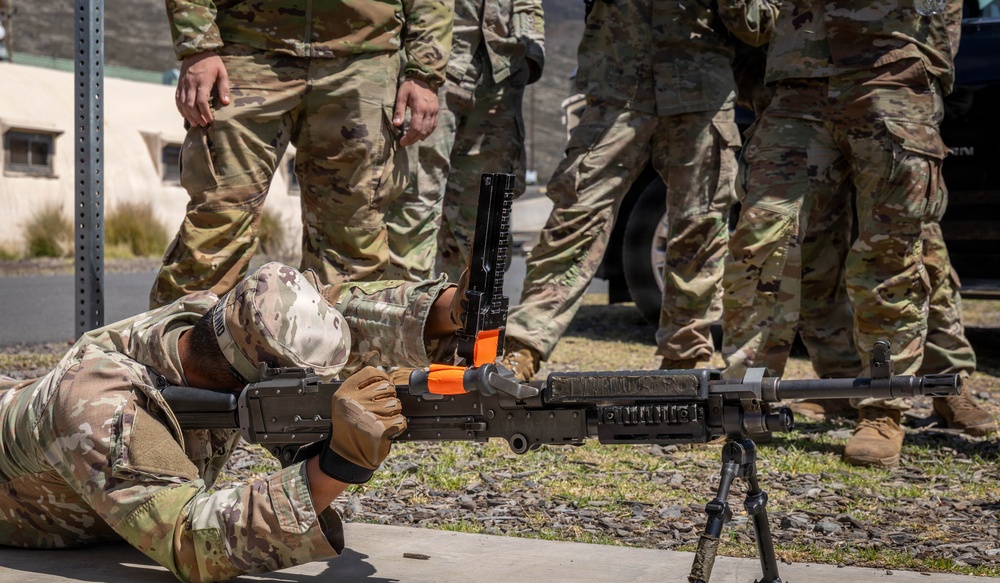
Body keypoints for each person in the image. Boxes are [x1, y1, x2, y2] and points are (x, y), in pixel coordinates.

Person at [0, 263, 463, 583]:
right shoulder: (99, 407)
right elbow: (190, 542)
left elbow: (323, 309)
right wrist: (337, 467)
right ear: (255, 385)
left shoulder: (218, 324)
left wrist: (448, 310)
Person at [719, 0, 973, 467]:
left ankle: (882, 408)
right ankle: (746, 398)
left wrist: (930, 65)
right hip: (797, 83)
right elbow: (754, 18)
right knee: (761, 236)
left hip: (890, 72)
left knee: (888, 251)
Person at [148, 0, 454, 309]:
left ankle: (339, 341)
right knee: (216, 226)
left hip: (363, 57)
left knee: (351, 243)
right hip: (247, 46)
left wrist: (424, 71)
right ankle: (179, 337)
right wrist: (198, 44)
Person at [500, 0, 740, 381]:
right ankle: (523, 345)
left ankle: (684, 361)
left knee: (700, 223)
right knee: (576, 210)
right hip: (618, 81)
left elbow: (758, 23)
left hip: (700, 87)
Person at [385, 0, 545, 282]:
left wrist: (531, 52)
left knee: (488, 215)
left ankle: (469, 307)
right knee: (414, 201)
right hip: (429, 66)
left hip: (501, 72)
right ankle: (411, 305)